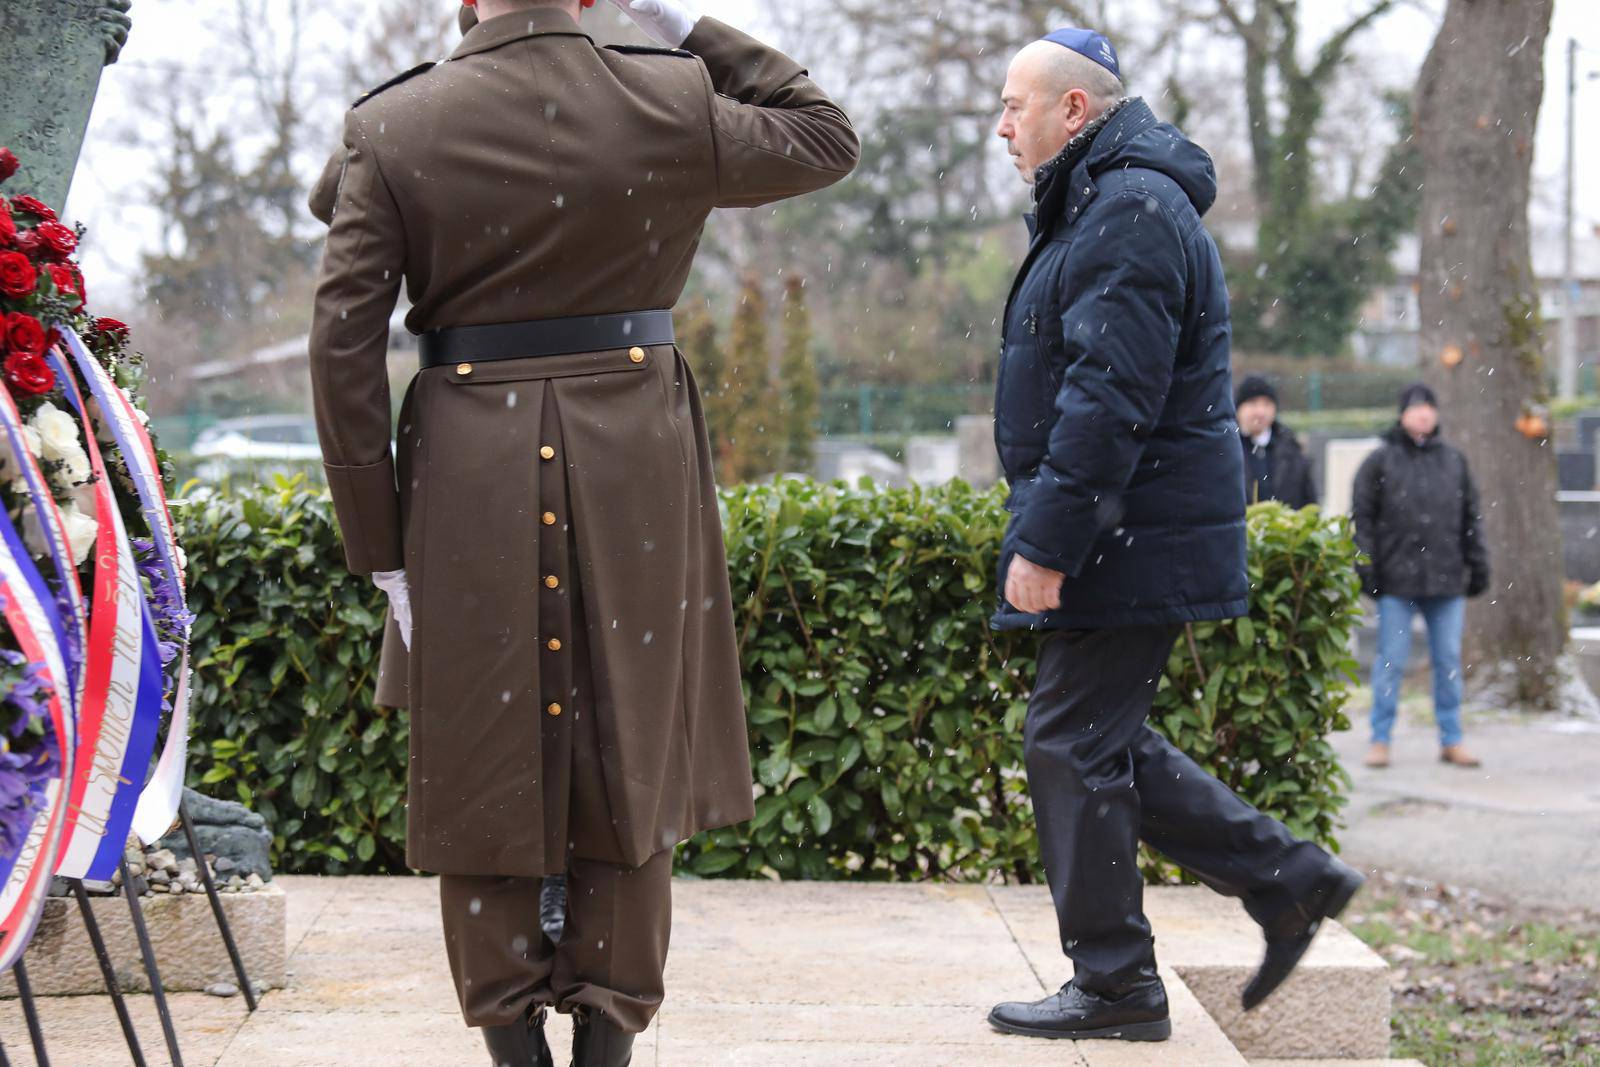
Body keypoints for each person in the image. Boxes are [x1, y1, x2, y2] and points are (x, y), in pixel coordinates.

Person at [306, 1, 858, 1064]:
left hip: (468, 468)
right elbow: (823, 134)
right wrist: (693, 36)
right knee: (631, 741)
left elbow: (341, 338)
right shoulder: (668, 94)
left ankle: (512, 1040)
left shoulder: (398, 121)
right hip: (634, 456)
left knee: (480, 748)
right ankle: (609, 1036)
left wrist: (378, 543)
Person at [985, 27, 1363, 1044]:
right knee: (1097, 739)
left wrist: (1049, 541)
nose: (1001, 123)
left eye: (1015, 104)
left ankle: (1117, 982)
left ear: (1074, 111)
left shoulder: (1130, 209)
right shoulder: (1108, 201)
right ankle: (1292, 878)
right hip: (1126, 531)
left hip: (1123, 535)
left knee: (1069, 740)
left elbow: (1110, 396)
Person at [1353, 384, 1488, 771]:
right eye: (1416, 408)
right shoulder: (1379, 462)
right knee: (1390, 661)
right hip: (1396, 581)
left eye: (1430, 407)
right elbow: (1362, 519)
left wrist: (1478, 565)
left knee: (1447, 660)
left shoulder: (1454, 461)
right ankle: (1380, 739)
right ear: (1402, 414)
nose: (1424, 414)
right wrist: (1366, 566)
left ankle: (1452, 738)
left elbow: (1470, 519)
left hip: (1446, 581)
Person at [1235, 375, 1318, 508]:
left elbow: (1309, 500)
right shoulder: (1226, 449)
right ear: (1238, 409)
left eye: (1267, 404)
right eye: (1253, 403)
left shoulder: (1291, 448)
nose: (1260, 411)